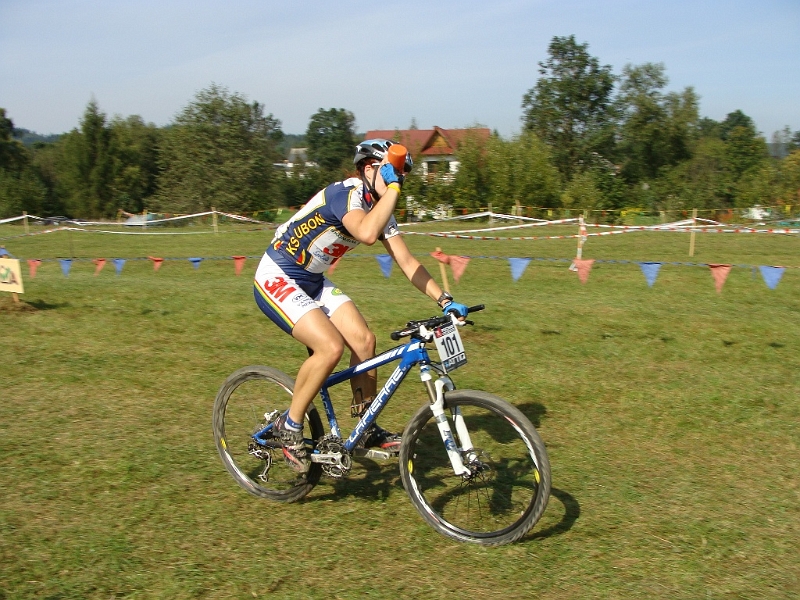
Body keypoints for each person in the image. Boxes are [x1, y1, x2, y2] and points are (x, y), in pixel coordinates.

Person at [253, 139, 469, 473]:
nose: (399, 180)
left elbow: (407, 261)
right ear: (370, 169)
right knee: (329, 347)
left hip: (313, 280)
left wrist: (445, 300)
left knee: (365, 341)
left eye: (401, 175)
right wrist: (393, 189)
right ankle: (289, 425)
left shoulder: (381, 207)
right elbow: (366, 233)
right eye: (392, 172)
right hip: (278, 274)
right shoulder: (347, 194)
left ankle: (365, 426)